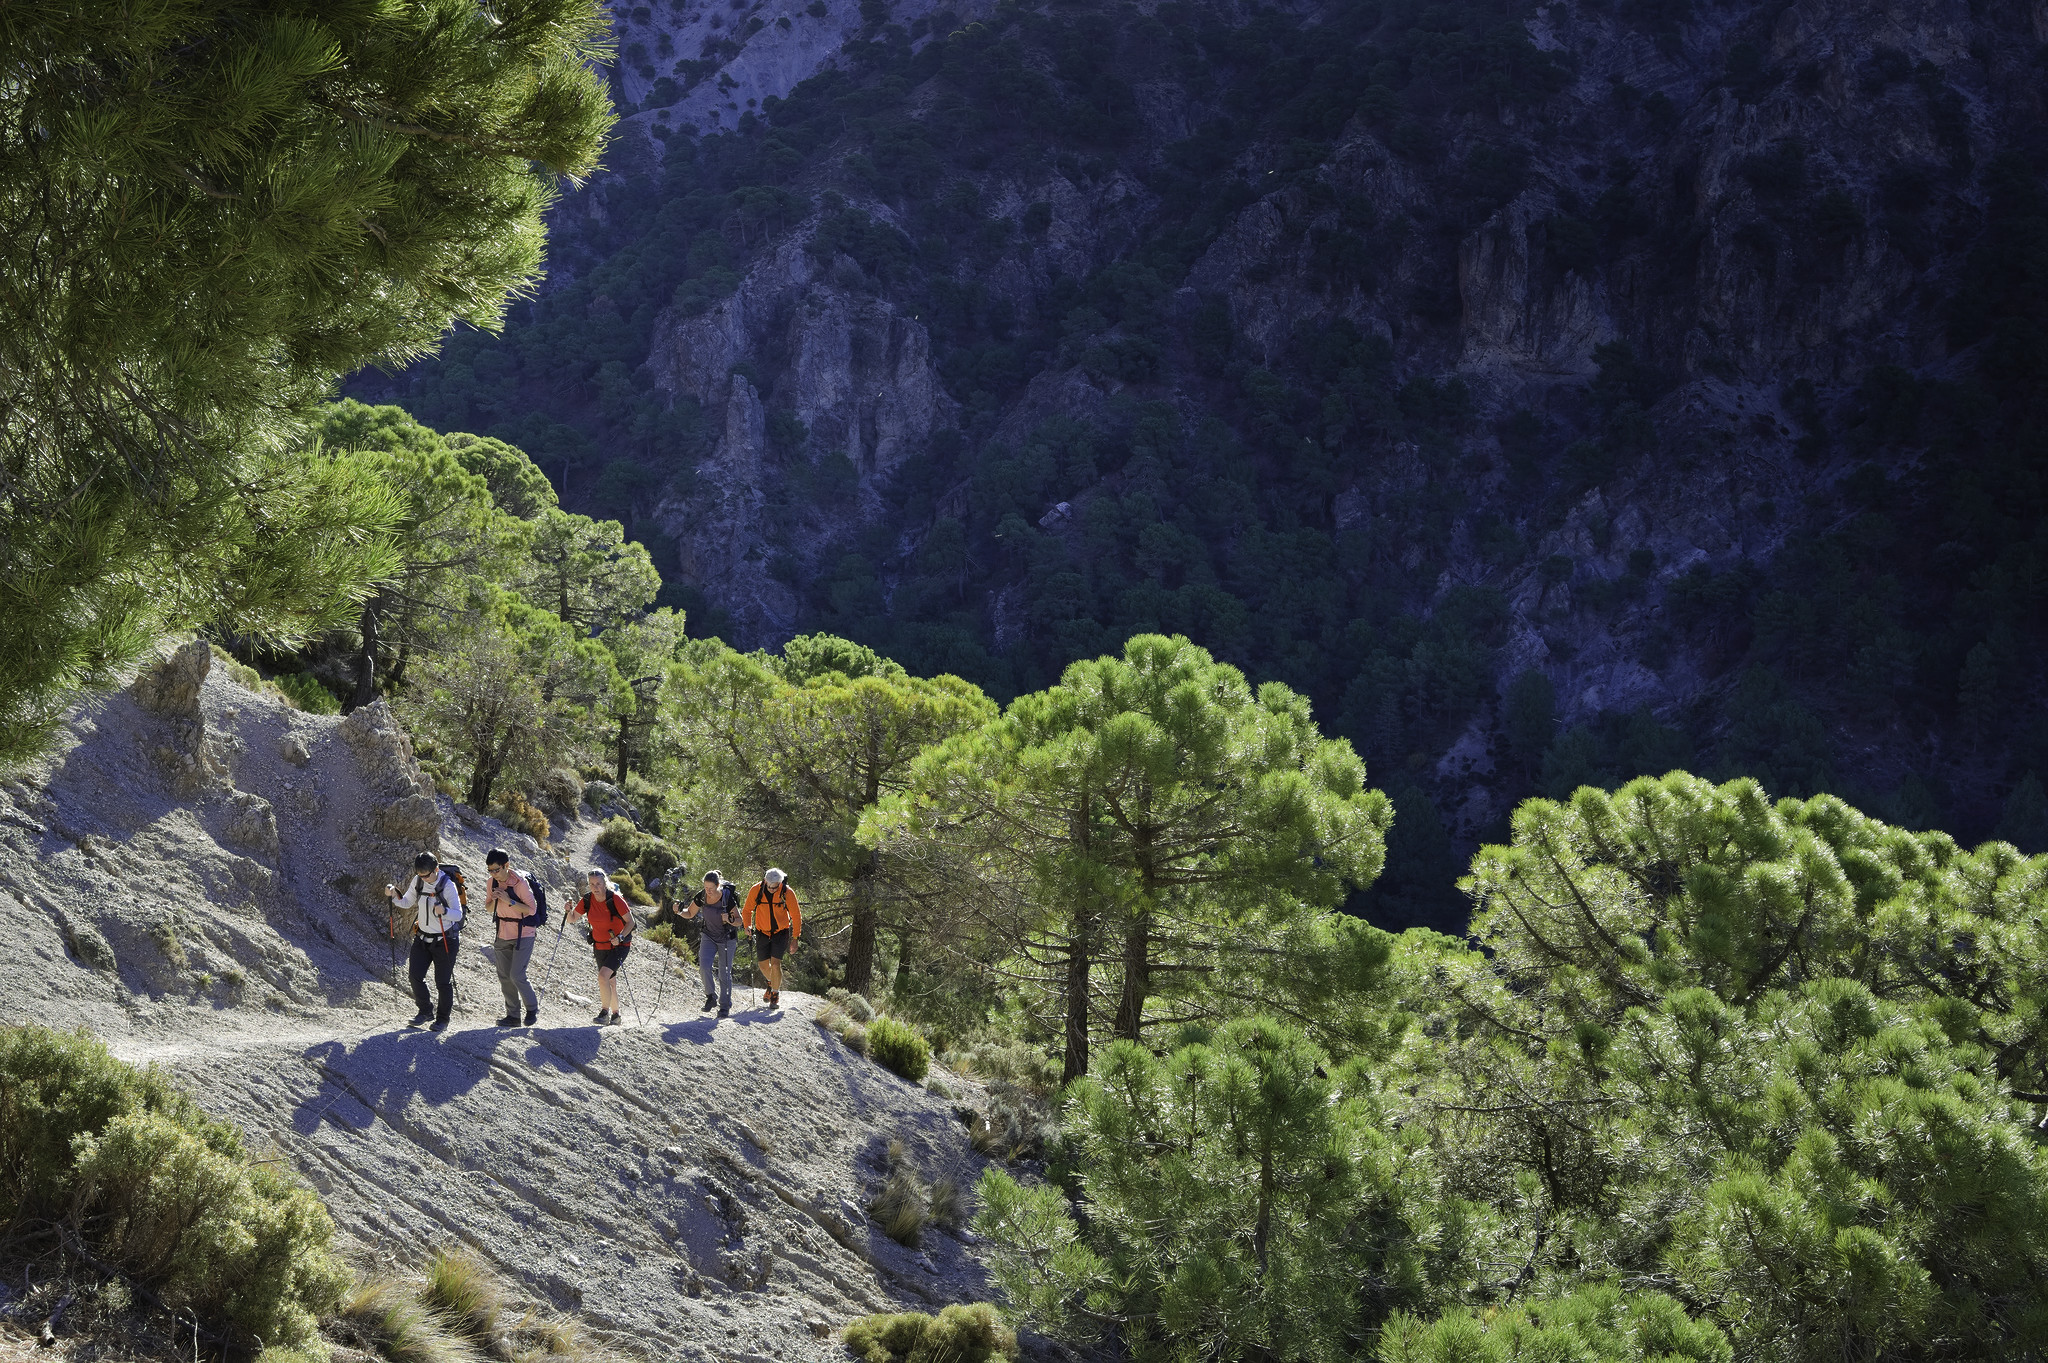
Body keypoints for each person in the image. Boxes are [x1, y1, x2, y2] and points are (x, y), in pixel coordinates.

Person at [384, 851, 463, 1031]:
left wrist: (444, 911)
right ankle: (425, 1011)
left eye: (427, 875)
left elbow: (458, 915)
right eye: (421, 875)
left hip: (445, 940)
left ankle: (442, 1019)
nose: (425, 879)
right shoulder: (418, 880)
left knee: (442, 982)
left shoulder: (448, 886)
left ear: (436, 869)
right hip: (422, 938)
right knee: (414, 976)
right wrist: (394, 895)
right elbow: (406, 902)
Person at [567, 868, 634, 1026]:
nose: (595, 887)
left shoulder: (615, 899)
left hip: (620, 945)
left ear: (605, 883)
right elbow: (572, 919)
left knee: (603, 976)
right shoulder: (587, 900)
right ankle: (616, 1016)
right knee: (610, 980)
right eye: (592, 884)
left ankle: (604, 1012)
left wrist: (620, 937)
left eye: (598, 883)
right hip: (599, 945)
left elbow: (631, 922)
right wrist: (568, 910)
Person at [483, 848, 540, 1027]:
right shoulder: (491, 883)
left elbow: (532, 909)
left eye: (496, 870)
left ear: (506, 865)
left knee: (517, 974)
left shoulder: (520, 883)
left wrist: (509, 901)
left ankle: (532, 1009)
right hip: (502, 932)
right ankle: (513, 1016)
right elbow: (489, 909)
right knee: (504, 976)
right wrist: (494, 899)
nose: (493, 874)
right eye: (490, 870)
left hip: (524, 933)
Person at [680, 871, 740, 1017]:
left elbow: (739, 920)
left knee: (724, 973)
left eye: (711, 888)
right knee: (704, 967)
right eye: (706, 888)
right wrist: (679, 911)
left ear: (718, 886)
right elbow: (689, 913)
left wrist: (729, 920)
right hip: (709, 936)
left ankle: (724, 1006)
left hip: (727, 938)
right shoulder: (702, 896)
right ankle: (711, 997)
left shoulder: (727, 897)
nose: (708, 891)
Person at [742, 868, 802, 1009]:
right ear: (765, 881)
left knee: (775, 964)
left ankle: (775, 994)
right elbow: (747, 910)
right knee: (763, 965)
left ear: (779, 884)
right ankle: (771, 983)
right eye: (768, 886)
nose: (771, 889)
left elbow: (796, 916)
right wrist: (747, 926)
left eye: (774, 887)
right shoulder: (756, 890)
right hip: (762, 932)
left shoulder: (787, 893)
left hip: (780, 932)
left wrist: (795, 938)